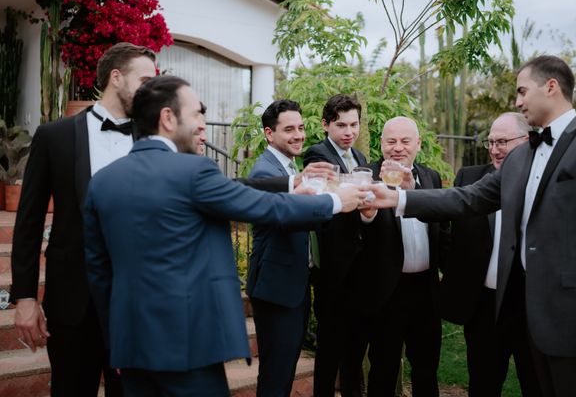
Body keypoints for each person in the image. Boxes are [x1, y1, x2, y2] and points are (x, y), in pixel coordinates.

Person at [370, 56, 576, 397]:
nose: (518, 101)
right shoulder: (521, 156)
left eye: (523, 91)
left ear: (551, 87)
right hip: (524, 316)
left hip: (575, 322)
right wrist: (399, 199)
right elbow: (467, 198)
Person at [83, 76, 368, 397]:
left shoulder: (102, 181)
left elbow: (99, 272)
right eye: (196, 114)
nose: (202, 125)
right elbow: (265, 207)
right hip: (191, 342)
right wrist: (335, 201)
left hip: (131, 344)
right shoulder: (194, 170)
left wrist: (116, 340)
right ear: (167, 118)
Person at [10, 42, 158, 396]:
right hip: (73, 301)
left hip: (138, 302)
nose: (153, 90)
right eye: (145, 80)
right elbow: (28, 222)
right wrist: (26, 297)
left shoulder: (155, 137)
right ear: (116, 77)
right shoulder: (54, 136)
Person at [440, 112, 540, 396]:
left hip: (530, 307)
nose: (495, 149)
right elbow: (448, 233)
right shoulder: (469, 178)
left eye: (502, 142)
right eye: (491, 142)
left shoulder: (543, 181)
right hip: (483, 307)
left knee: (536, 384)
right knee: (483, 385)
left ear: (526, 140)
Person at [357, 116, 446, 397]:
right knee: (383, 370)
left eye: (405, 141)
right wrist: (367, 218)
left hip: (426, 291)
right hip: (387, 292)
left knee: (426, 369)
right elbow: (355, 234)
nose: (398, 148)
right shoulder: (366, 177)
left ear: (417, 144)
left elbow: (441, 226)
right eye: (391, 141)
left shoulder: (430, 177)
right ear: (381, 144)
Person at [247, 99, 318, 396]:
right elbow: (288, 214)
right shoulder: (265, 172)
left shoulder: (290, 165)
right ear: (269, 133)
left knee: (284, 369)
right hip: (276, 289)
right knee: (276, 375)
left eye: (300, 127)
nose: (298, 135)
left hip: (293, 286)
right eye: (289, 129)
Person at [302, 94, 367, 397]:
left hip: (360, 269)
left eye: (354, 124)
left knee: (356, 347)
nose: (349, 132)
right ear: (326, 125)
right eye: (341, 125)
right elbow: (326, 199)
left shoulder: (362, 159)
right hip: (332, 269)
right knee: (329, 348)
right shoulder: (317, 154)